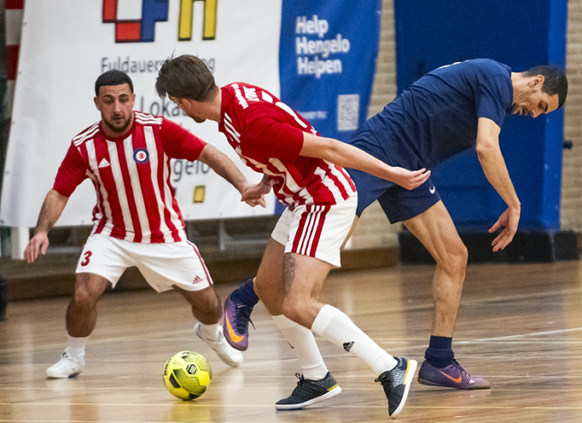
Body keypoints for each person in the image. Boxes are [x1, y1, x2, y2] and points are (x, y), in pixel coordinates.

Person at [221, 59, 567, 391]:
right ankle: (246, 297)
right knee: (318, 254)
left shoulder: (496, 91)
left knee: (454, 257)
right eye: (540, 104)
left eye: (543, 112)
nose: (535, 113)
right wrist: (514, 204)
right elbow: (486, 146)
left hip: (410, 171)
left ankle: (440, 361)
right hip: (379, 150)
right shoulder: (495, 78)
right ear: (536, 82)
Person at [156, 55, 430, 417]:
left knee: (299, 303)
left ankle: (389, 367)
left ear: (184, 102)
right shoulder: (235, 98)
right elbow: (280, 146)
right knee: (270, 290)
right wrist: (265, 182)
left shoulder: (250, 124)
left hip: (323, 198)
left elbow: (329, 148)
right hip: (300, 199)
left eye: (175, 103)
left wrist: (391, 173)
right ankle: (316, 377)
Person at [24, 70, 266, 379]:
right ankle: (74, 356)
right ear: (97, 103)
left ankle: (210, 334)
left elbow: (208, 153)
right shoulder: (84, 146)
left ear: (133, 100)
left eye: (123, 99)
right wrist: (42, 230)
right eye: (109, 101)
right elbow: (59, 192)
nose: (117, 108)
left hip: (165, 234)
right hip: (112, 234)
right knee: (83, 295)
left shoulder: (157, 130)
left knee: (208, 305)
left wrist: (243, 184)